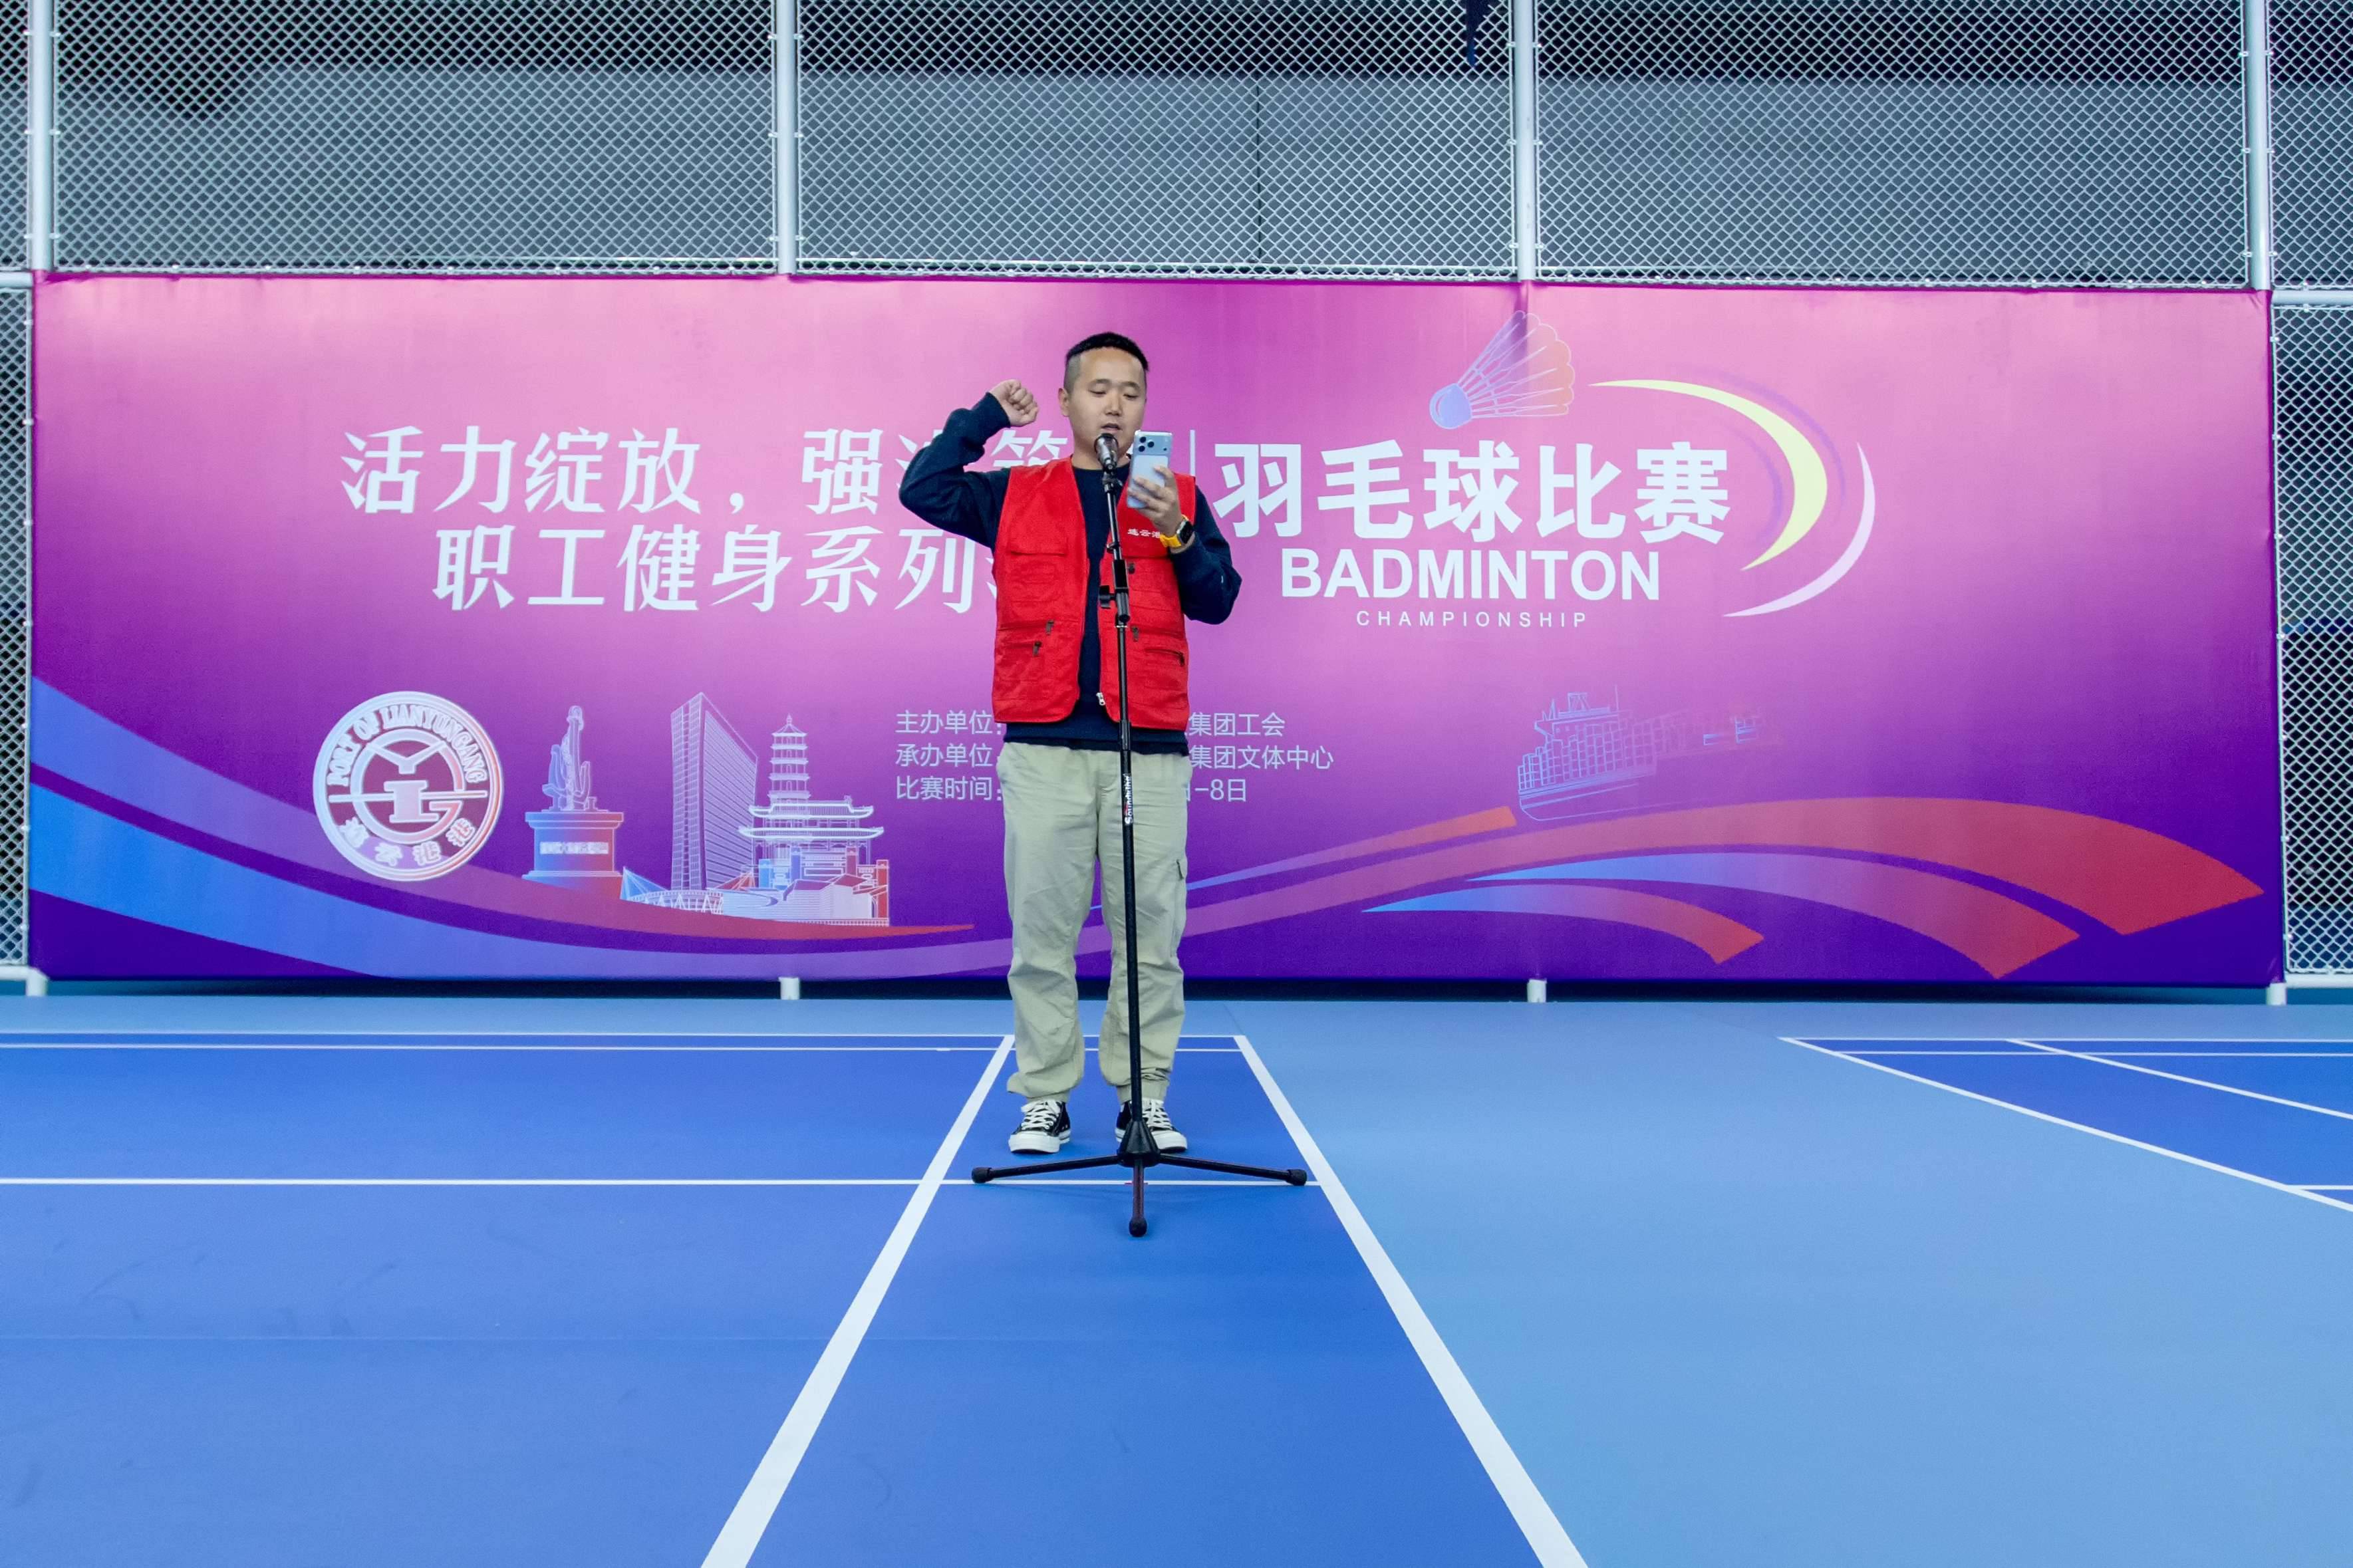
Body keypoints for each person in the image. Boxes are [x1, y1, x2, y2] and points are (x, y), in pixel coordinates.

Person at [899, 331, 1241, 1156]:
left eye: (1131, 392)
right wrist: (984, 419)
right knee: (1042, 936)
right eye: (1098, 389)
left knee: (1150, 938)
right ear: (1065, 402)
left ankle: (1143, 1098)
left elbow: (1219, 599)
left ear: (1145, 408)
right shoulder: (1016, 492)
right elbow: (924, 488)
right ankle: (1045, 1097)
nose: (1115, 404)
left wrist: (1177, 533)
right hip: (1044, 747)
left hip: (1147, 750)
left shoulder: (1175, 496)